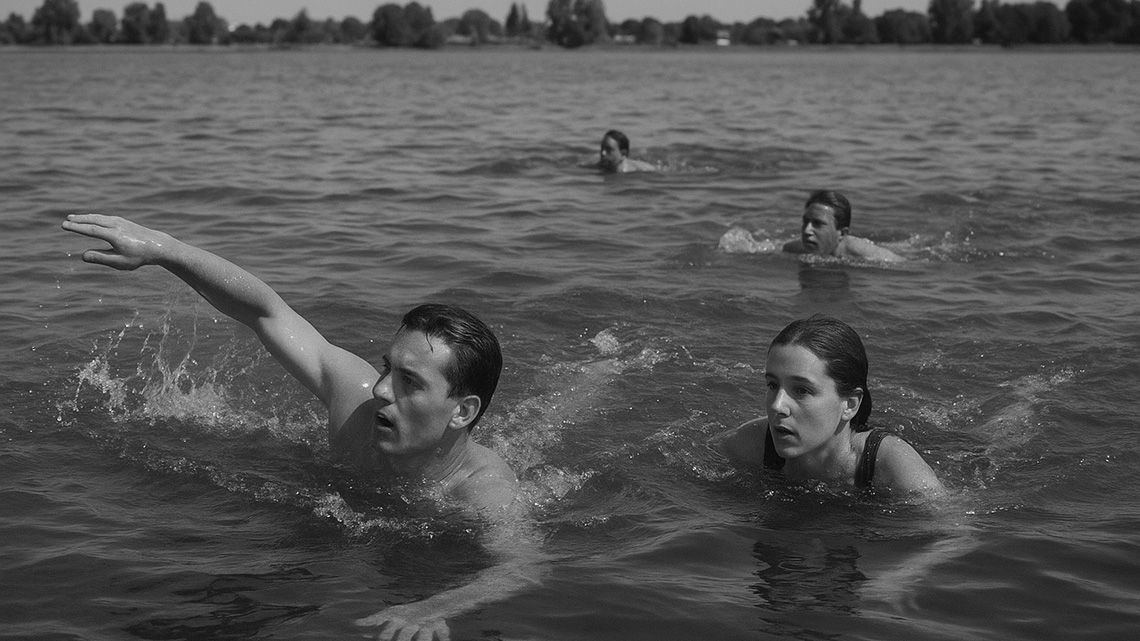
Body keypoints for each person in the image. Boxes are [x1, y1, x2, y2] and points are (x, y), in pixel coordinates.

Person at [62, 213, 541, 640]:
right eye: (385, 369)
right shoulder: (357, 411)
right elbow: (268, 312)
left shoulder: (483, 492)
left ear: (462, 411)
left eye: (409, 382)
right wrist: (165, 250)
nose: (379, 390)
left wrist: (436, 606)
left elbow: (521, 567)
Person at [720, 315, 943, 499]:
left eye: (801, 390)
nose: (777, 406)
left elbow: (952, 539)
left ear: (850, 404)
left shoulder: (893, 467)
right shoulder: (749, 444)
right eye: (772, 384)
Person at [782, 190, 903, 262]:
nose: (807, 231)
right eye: (805, 222)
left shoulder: (863, 254)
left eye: (817, 224)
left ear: (842, 233)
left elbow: (909, 265)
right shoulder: (792, 249)